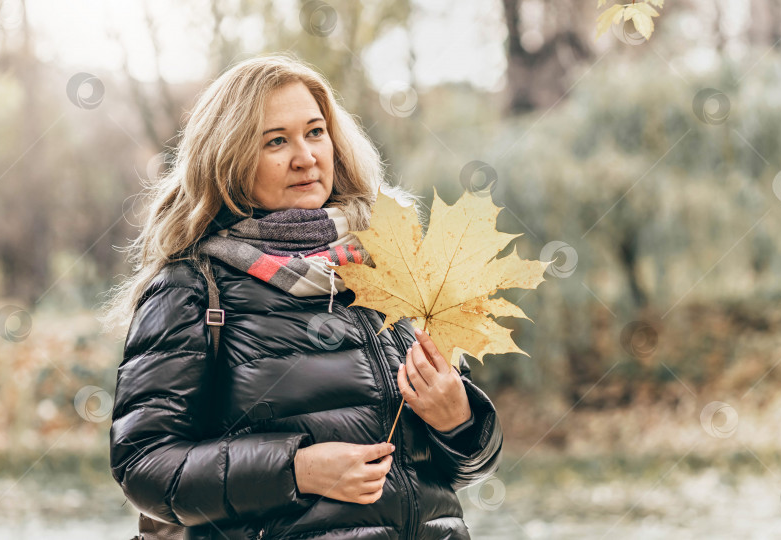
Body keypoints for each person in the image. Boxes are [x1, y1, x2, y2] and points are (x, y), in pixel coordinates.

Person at [103, 53, 503, 540]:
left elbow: (463, 470)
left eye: (315, 132)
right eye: (276, 141)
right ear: (228, 159)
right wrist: (297, 469)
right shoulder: (192, 288)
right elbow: (144, 465)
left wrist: (459, 419)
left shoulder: (391, 267)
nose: (305, 157)